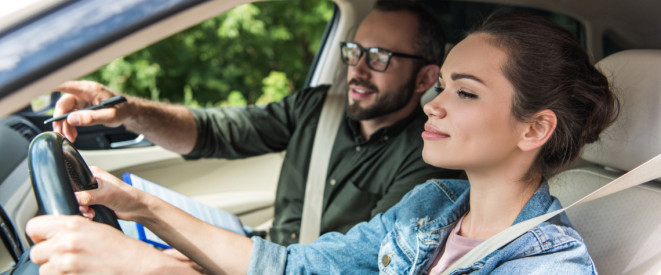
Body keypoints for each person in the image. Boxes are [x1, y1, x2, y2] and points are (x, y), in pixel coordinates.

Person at [27, 11, 618, 274]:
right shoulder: (434, 208)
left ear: (533, 128)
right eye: (441, 86)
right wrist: (141, 208)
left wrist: (148, 269)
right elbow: (294, 267)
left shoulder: (547, 266)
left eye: (463, 92)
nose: (432, 104)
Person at [49, 0, 460, 246]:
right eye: (355, 51)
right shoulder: (318, 107)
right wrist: (129, 110)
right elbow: (213, 132)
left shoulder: (429, 157)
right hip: (263, 254)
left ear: (426, 78)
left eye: (380, 58)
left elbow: (360, 262)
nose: (358, 70)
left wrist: (205, 260)